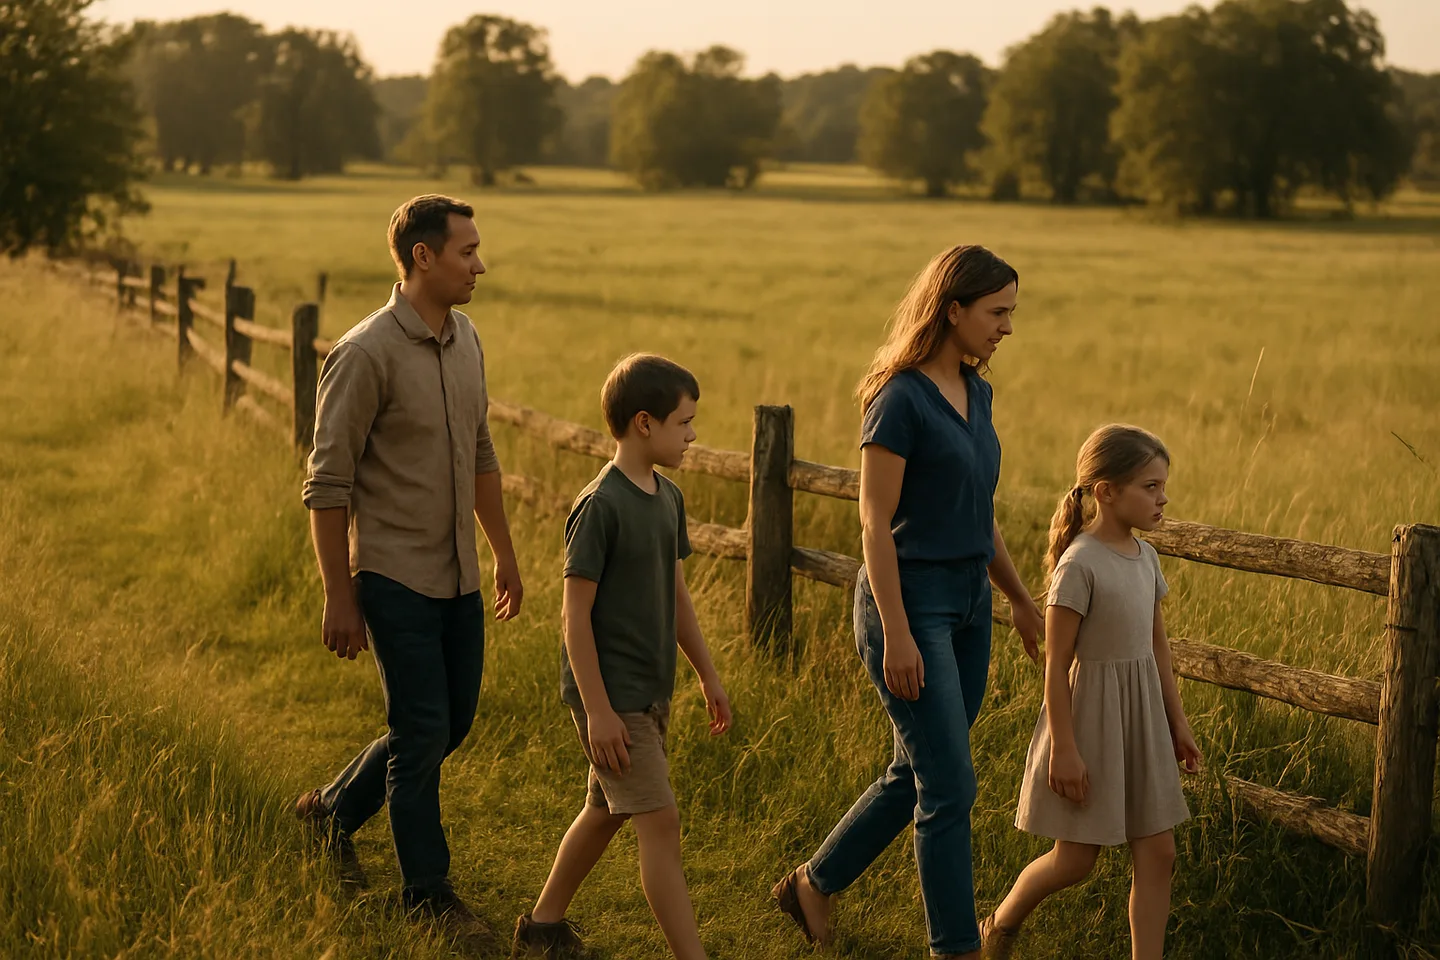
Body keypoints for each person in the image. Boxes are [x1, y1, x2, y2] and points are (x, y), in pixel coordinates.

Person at [773, 245, 1044, 959]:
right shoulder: (898, 399)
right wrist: (895, 631)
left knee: (918, 771)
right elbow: (872, 521)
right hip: (908, 604)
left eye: (1011, 312)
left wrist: (1017, 598)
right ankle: (955, 948)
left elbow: (978, 514)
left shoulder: (978, 394)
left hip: (968, 606)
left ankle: (812, 884)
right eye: (997, 312)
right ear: (952, 309)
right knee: (951, 786)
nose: (1007, 327)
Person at [296, 194, 522, 935]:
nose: (479, 265)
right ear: (422, 257)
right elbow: (326, 486)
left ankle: (329, 812)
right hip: (391, 575)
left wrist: (504, 553)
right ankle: (429, 894)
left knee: (449, 723)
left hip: (458, 573)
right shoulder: (364, 354)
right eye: (467, 252)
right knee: (422, 730)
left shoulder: (467, 340)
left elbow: (482, 454)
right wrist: (339, 595)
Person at [512, 354, 732, 960]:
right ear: (644, 423)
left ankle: (543, 927)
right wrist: (599, 711)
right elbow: (573, 617)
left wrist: (707, 674)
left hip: (650, 689)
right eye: (684, 423)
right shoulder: (599, 506)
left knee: (604, 810)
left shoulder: (668, 498)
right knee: (660, 823)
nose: (692, 435)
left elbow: (676, 595)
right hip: (610, 698)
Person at [983, 424, 1201, 960]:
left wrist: (1177, 723)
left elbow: (1158, 651)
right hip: (1089, 724)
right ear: (1106, 491)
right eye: (1149, 486)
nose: (1162, 497)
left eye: (1162, 485)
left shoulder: (1146, 559)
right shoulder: (1079, 565)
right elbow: (1055, 666)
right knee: (1076, 860)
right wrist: (1064, 747)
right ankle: (998, 924)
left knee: (1159, 853)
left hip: (1143, 719)